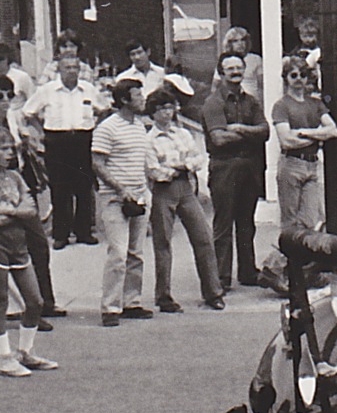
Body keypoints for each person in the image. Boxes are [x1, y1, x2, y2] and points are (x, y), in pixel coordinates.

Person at [0, 129, 57, 376]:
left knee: (35, 301)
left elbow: (32, 209)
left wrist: (7, 210)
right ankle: (4, 357)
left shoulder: (15, 177)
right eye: (4, 149)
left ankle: (25, 352)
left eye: (11, 149)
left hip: (19, 246)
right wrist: (15, 210)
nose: (10, 154)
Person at [0, 75, 62, 323]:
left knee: (39, 245)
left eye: (10, 95)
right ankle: (30, 307)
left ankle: (45, 300)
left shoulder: (13, 119)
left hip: (20, 185)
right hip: (2, 193)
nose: (6, 101)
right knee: (15, 251)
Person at [146, 86, 224, 313]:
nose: (166, 113)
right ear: (152, 113)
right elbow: (153, 170)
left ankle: (213, 292)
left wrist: (181, 166)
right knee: (163, 243)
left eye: (169, 108)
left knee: (203, 238)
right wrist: (177, 167)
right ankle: (164, 296)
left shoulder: (183, 133)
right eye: (160, 109)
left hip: (186, 189)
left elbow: (197, 158)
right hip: (163, 191)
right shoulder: (149, 138)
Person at [203, 52, 270, 293]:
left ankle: (248, 271)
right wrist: (250, 134)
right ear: (221, 73)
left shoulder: (251, 101)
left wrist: (240, 128)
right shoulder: (214, 102)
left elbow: (265, 131)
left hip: (249, 168)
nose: (235, 72)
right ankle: (220, 277)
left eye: (238, 68)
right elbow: (218, 138)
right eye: (229, 68)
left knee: (247, 222)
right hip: (225, 168)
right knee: (223, 223)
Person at [24, 53, 106, 247]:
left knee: (84, 187)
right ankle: (61, 234)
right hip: (57, 141)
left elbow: (104, 109)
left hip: (82, 139)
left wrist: (96, 127)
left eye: (75, 67)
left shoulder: (88, 89)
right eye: (67, 67)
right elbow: (29, 112)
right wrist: (41, 132)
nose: (71, 71)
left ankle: (84, 232)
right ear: (59, 70)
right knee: (60, 188)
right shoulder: (48, 90)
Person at [92, 78, 156, 326]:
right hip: (114, 199)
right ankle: (110, 307)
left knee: (136, 253)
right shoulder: (107, 128)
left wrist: (144, 188)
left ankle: (132, 302)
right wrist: (120, 189)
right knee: (117, 253)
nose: (143, 99)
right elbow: (97, 164)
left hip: (139, 195)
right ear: (124, 100)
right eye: (137, 96)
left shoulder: (140, 126)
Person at [271, 59, 337, 271]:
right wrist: (318, 137)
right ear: (286, 78)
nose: (298, 79)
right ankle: (285, 270)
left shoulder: (315, 103)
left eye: (302, 75)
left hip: (311, 165)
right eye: (293, 75)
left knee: (310, 220)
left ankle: (300, 268)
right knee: (290, 222)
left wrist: (306, 133)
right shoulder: (281, 106)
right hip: (291, 164)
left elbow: (333, 130)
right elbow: (286, 139)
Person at [116, 40, 188, 101]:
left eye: (140, 52)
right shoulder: (123, 78)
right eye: (132, 54)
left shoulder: (163, 73)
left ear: (148, 52)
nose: (137, 57)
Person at [218, 27, 265, 102]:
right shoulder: (225, 60)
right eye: (235, 41)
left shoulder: (255, 59)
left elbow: (261, 85)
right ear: (229, 43)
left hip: (252, 101)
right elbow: (216, 85)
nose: (240, 44)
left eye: (243, 40)